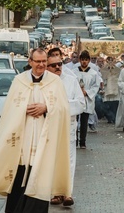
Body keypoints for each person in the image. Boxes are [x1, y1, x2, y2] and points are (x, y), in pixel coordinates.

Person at [0, 48, 72, 213]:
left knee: (40, 181)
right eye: (37, 61)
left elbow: (64, 109)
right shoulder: (19, 81)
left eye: (44, 61)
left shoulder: (55, 82)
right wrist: (24, 108)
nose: (41, 65)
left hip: (43, 139)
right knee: (18, 181)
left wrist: (46, 107)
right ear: (30, 62)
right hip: (21, 142)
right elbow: (10, 110)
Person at [46, 55, 85, 207]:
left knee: (69, 160)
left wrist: (60, 106)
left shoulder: (71, 81)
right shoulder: (44, 83)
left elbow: (81, 104)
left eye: (60, 64)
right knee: (53, 160)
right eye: (53, 65)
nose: (57, 67)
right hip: (49, 128)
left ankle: (67, 193)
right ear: (47, 67)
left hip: (68, 126)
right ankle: (56, 193)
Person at [72, 50, 100, 149]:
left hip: (86, 99)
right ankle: (74, 141)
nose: (84, 62)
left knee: (84, 121)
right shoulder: (74, 72)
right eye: (82, 60)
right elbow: (72, 85)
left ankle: (83, 142)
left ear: (89, 61)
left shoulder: (93, 73)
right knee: (74, 121)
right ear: (79, 60)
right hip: (76, 99)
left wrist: (87, 92)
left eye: (86, 60)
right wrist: (78, 91)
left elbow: (96, 86)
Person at [100, 56, 121, 124]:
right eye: (109, 60)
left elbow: (119, 78)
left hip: (115, 88)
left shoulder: (118, 69)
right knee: (107, 105)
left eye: (111, 60)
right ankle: (110, 117)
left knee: (115, 104)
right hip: (107, 88)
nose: (110, 62)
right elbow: (103, 78)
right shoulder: (103, 69)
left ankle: (115, 118)